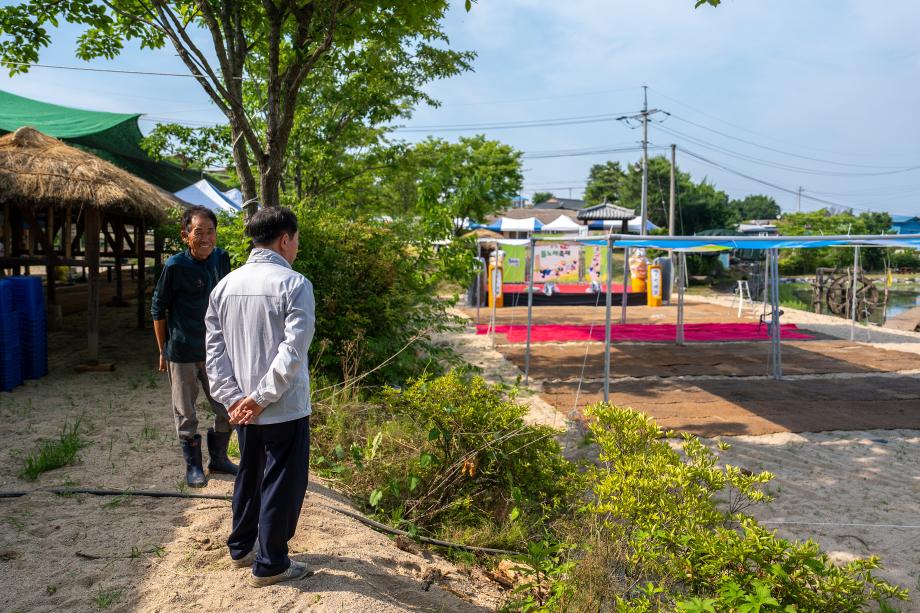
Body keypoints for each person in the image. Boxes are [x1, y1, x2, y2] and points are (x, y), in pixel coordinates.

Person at [205, 206, 315, 587]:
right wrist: (261, 397)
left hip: (242, 409)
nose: (296, 248)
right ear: (285, 239)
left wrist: (233, 398)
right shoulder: (295, 284)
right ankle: (270, 564)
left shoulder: (224, 285)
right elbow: (292, 352)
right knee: (281, 482)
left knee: (249, 475)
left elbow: (214, 352)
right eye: (296, 240)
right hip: (282, 406)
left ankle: (240, 546)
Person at [151, 205, 236, 488]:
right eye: (198, 231)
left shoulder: (221, 259)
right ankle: (193, 467)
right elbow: (158, 308)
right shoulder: (175, 266)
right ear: (185, 235)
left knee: (227, 406)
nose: (205, 238)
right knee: (186, 413)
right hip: (183, 351)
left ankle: (219, 458)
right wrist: (163, 349)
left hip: (215, 351)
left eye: (210, 231)